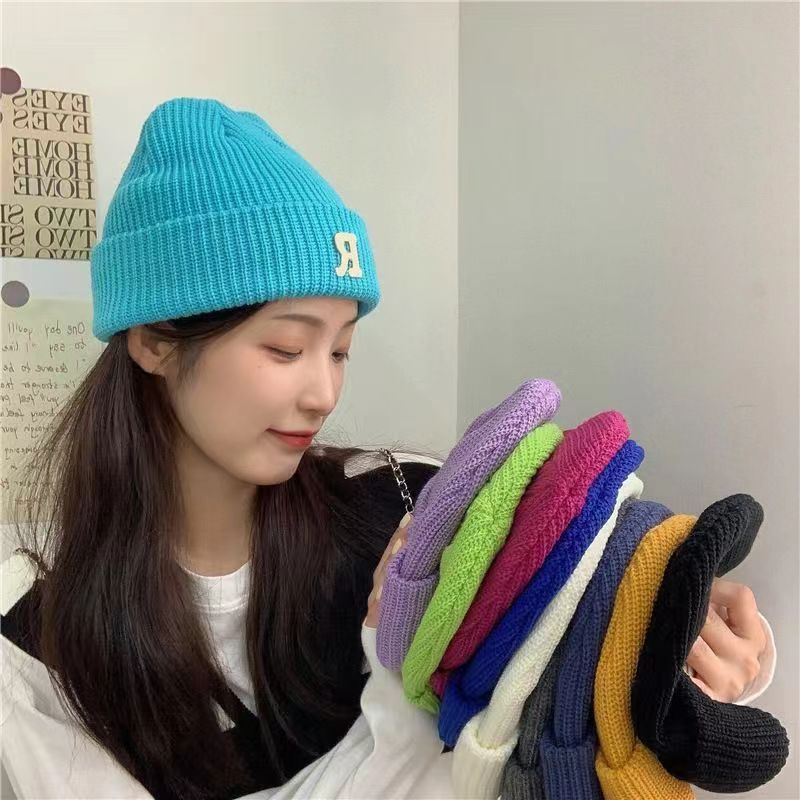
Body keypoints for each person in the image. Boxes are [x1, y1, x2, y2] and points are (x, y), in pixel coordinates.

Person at [0, 97, 775, 800]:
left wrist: (706, 643)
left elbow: (584, 642)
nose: (323, 394)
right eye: (285, 348)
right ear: (154, 342)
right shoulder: (38, 639)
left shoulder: (409, 505)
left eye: (341, 349)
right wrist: (400, 687)